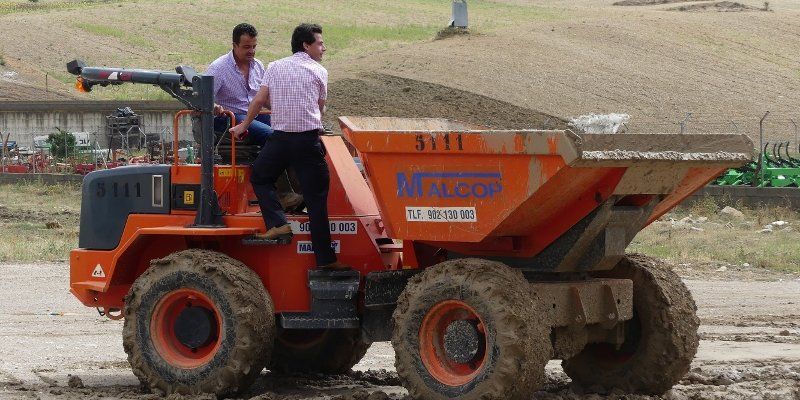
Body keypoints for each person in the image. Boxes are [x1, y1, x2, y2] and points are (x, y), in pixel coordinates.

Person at [230, 23, 348, 271]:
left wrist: (243, 125)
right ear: (306, 45)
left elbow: (259, 100)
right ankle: (326, 260)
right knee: (316, 201)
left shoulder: (274, 66)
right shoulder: (319, 71)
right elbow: (320, 107)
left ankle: (278, 223)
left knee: (261, 176)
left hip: (280, 139)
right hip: (307, 141)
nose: (323, 48)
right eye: (320, 43)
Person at [206, 23, 272, 145]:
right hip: (230, 118)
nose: (252, 51)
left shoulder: (258, 66)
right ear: (234, 45)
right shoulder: (218, 68)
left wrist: (286, 109)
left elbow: (264, 99)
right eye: (247, 47)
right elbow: (204, 99)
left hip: (254, 115)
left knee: (287, 130)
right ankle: (264, 164)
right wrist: (214, 106)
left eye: (254, 46)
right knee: (270, 135)